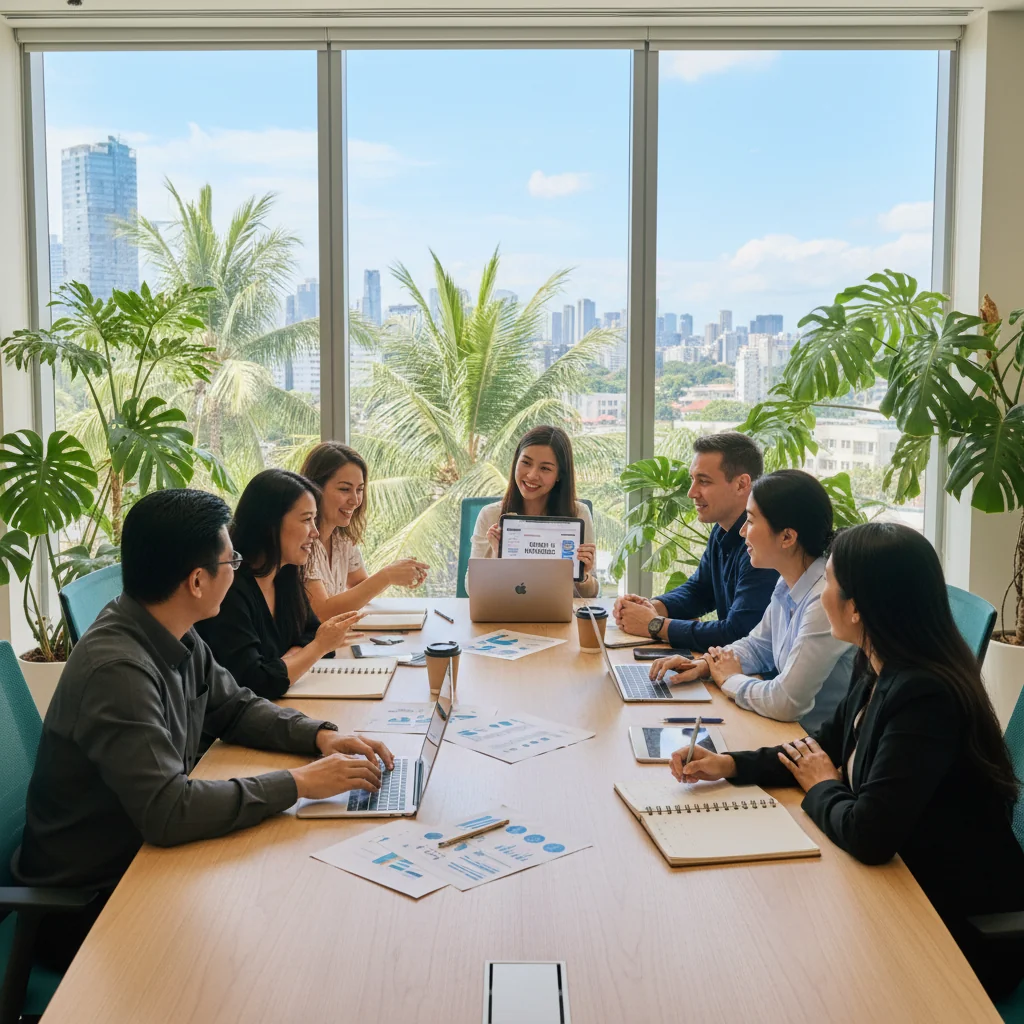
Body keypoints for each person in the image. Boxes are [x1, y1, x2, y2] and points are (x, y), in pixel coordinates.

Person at [13, 488, 392, 970]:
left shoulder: (172, 628)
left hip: (146, 866)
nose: (237, 567)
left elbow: (234, 707)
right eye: (230, 558)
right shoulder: (118, 671)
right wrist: (298, 784)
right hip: (94, 906)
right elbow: (168, 811)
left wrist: (320, 736)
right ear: (197, 580)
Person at [670, 522, 1024, 999]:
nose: (822, 594)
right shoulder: (878, 659)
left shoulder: (925, 694)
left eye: (830, 583)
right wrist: (731, 765)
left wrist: (821, 786)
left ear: (857, 608)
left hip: (955, 928)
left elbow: (868, 833)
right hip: (900, 884)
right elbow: (819, 750)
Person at [648, 469, 855, 730]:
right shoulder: (788, 581)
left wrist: (728, 679)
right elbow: (759, 646)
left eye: (751, 521)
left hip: (812, 745)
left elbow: (787, 702)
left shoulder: (824, 599)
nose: (743, 532)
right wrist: (704, 665)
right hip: (780, 733)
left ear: (788, 537)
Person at [195, 469, 361, 699]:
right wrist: (316, 649)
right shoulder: (229, 589)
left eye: (315, 519)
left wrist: (287, 661)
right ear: (269, 525)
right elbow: (255, 683)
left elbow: (311, 632)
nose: (315, 532)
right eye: (306, 519)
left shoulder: (285, 575)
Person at [613, 432, 778, 649]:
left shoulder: (764, 543)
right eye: (693, 480)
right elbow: (700, 591)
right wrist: (652, 607)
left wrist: (654, 625)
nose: (691, 493)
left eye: (704, 481)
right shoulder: (721, 530)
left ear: (741, 484)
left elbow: (737, 632)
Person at [300, 440, 429, 620]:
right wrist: (387, 576)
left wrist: (397, 572)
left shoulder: (342, 539)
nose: (355, 500)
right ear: (315, 489)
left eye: (359, 489)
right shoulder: (302, 541)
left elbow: (359, 584)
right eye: (345, 489)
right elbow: (322, 612)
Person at [470, 424, 599, 598]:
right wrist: (497, 555)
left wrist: (583, 575)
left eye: (545, 468)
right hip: (502, 616)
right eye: (526, 463)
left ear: (559, 475)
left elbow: (590, 595)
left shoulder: (578, 514)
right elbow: (471, 588)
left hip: (559, 619)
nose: (531, 475)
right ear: (516, 461)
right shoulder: (490, 515)